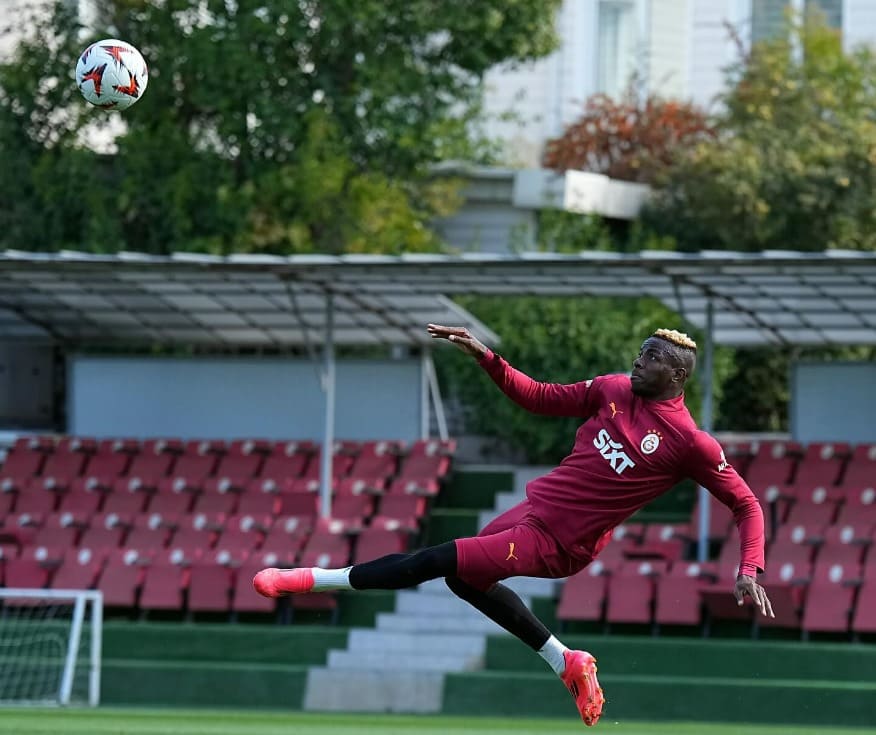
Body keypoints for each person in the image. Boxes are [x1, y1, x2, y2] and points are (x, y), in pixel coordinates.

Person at [254, 324, 774, 727]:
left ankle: (312, 579)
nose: (639, 361)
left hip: (557, 543)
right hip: (529, 510)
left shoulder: (691, 443)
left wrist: (749, 568)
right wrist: (486, 357)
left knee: (438, 560)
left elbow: (747, 505)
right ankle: (567, 660)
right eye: (640, 352)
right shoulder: (613, 389)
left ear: (677, 377)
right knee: (462, 579)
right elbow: (540, 397)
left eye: (652, 357)